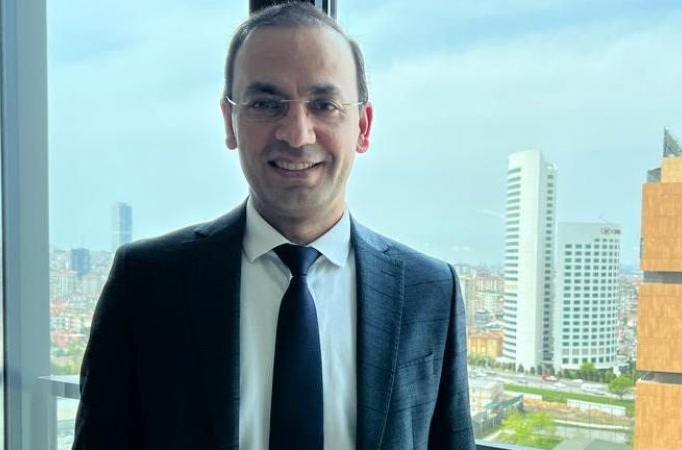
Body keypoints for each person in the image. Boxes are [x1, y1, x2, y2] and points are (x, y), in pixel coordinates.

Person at [72, 3, 474, 450]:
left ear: (362, 126)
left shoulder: (428, 291)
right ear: (230, 123)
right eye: (266, 104)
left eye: (324, 105)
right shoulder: (147, 283)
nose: (297, 134)